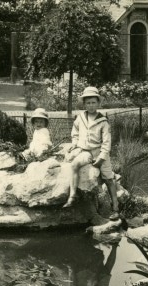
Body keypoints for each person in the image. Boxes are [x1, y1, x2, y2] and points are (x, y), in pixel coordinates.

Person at [63, 86, 120, 221]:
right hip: (86, 152)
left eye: (93, 102)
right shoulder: (81, 118)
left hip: (100, 152)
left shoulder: (103, 121)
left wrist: (101, 159)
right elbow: (75, 132)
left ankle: (115, 207)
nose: (91, 105)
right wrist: (74, 144)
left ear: (98, 103)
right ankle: (72, 195)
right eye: (88, 103)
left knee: (108, 178)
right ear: (84, 104)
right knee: (74, 165)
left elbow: (106, 143)